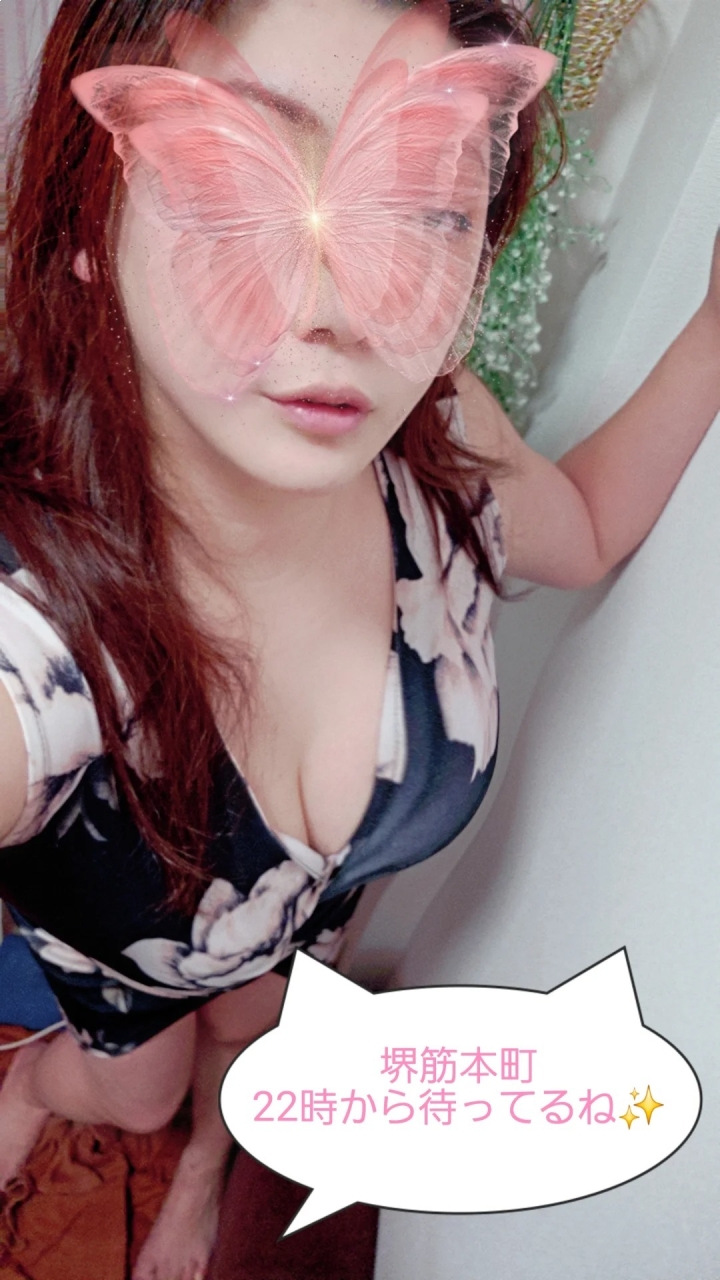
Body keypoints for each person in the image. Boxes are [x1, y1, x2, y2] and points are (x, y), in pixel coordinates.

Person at [0, 1, 718, 1277]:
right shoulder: (35, 634)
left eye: (422, 202)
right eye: (228, 189)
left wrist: (715, 325)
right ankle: (36, 1083)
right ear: (86, 232)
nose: (336, 309)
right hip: (126, 952)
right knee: (138, 1091)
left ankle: (206, 1173)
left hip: (302, 929)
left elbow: (592, 525)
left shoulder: (440, 434)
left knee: (256, 1027)